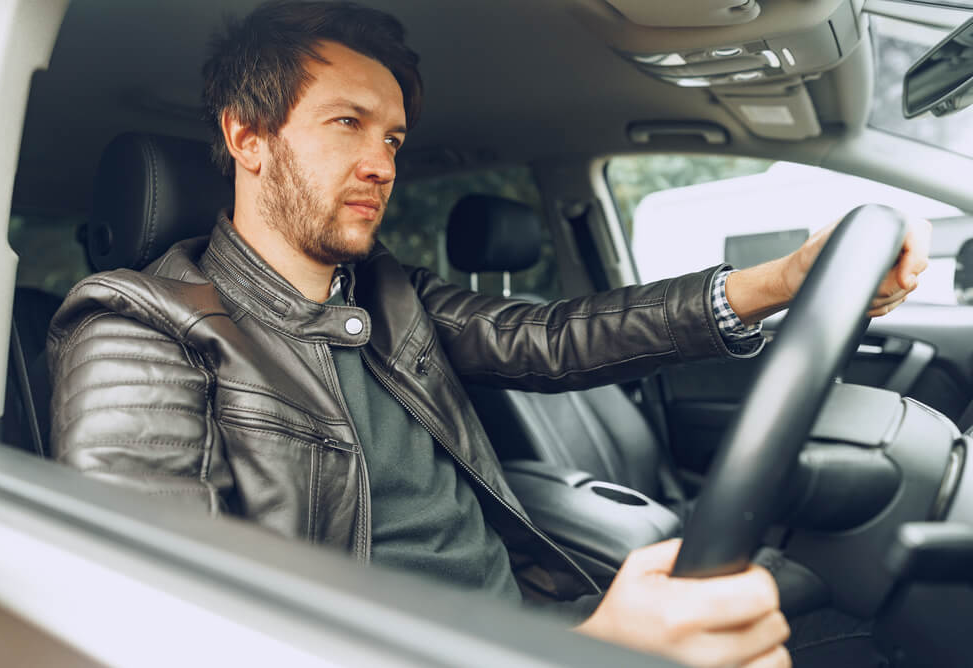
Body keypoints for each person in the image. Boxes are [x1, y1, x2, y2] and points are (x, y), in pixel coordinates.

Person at [46, 2, 930, 667]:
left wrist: (782, 282)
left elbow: (557, 337)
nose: (382, 163)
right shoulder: (137, 322)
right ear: (248, 137)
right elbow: (156, 626)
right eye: (347, 123)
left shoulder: (386, 293)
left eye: (392, 135)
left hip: (530, 622)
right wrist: (594, 648)